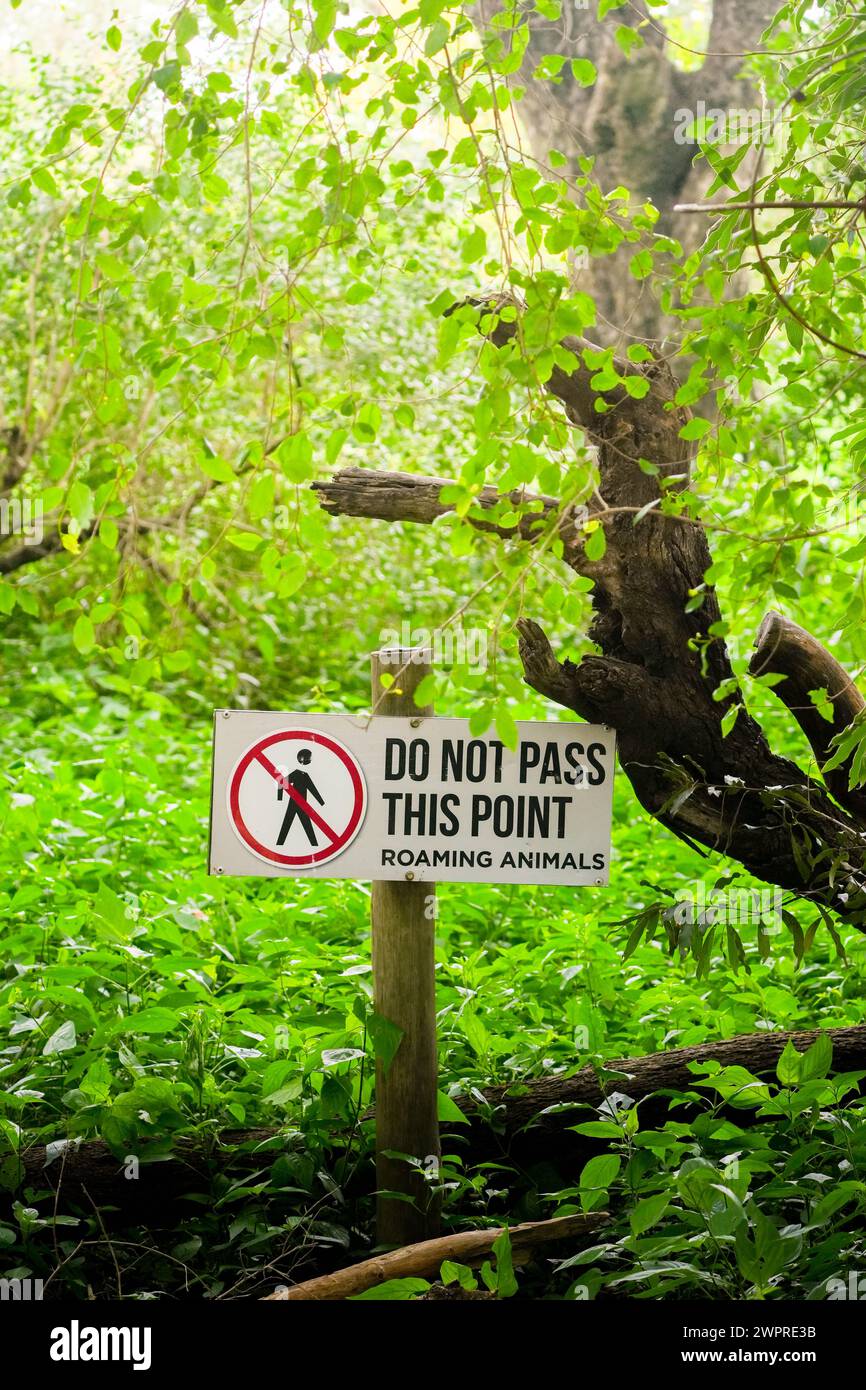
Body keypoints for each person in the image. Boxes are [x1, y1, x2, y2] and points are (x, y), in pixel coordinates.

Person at [276, 748, 324, 847]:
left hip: (302, 804)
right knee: (287, 824)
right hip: (294, 802)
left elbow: (313, 789)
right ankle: (279, 846)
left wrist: (321, 802)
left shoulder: (305, 775)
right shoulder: (297, 773)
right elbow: (281, 782)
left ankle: (315, 846)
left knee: (307, 826)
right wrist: (280, 799)